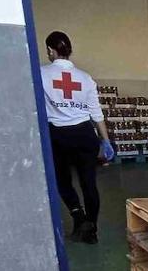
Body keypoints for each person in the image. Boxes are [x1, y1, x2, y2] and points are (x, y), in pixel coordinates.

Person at [40, 31, 114, 244]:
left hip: (58, 136)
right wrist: (106, 140)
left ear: (50, 50)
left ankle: (78, 216)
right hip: (85, 134)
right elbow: (96, 113)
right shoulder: (85, 77)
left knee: (62, 181)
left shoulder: (41, 74)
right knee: (88, 182)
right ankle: (91, 229)